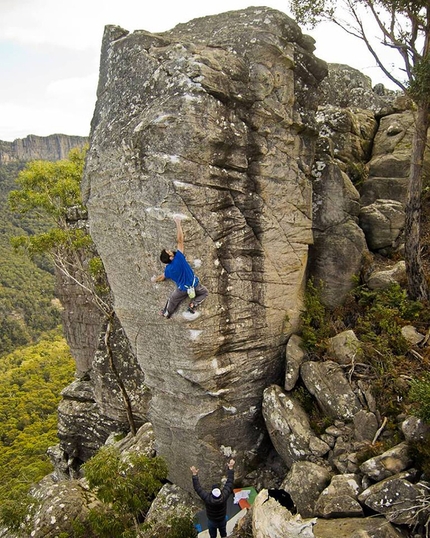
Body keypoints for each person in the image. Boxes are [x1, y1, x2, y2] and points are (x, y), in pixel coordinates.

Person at [154, 216, 208, 319]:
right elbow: (180, 240)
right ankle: (193, 304)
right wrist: (178, 223)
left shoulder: (168, 269)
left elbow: (162, 277)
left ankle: (167, 313)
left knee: (173, 300)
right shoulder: (179, 257)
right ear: (170, 257)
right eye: (169, 252)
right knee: (204, 293)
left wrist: (154, 280)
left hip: (183, 289)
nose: (170, 250)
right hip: (194, 284)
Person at [190, 459, 235, 538]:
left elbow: (197, 488)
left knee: (213, 535)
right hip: (222, 520)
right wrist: (230, 468)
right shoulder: (224, 496)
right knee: (223, 533)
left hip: (212, 521)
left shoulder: (208, 499)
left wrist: (194, 474)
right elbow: (229, 483)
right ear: (220, 492)